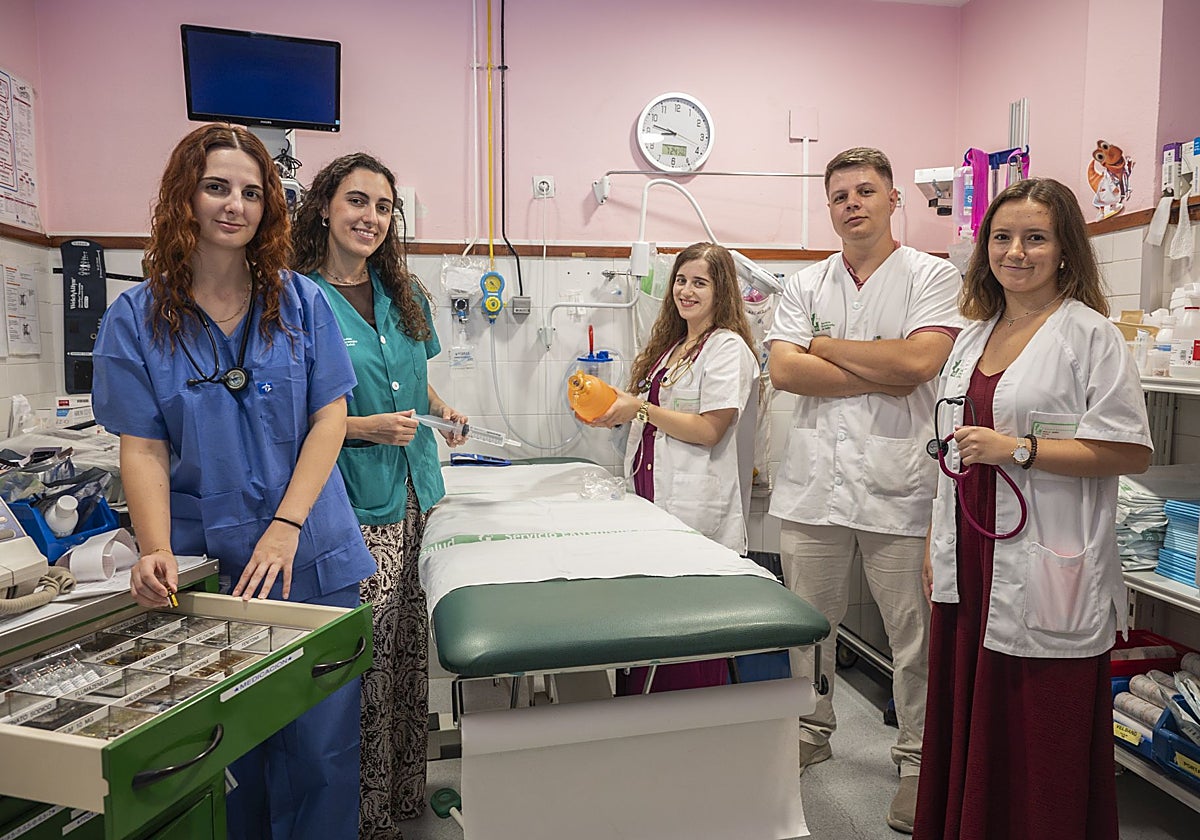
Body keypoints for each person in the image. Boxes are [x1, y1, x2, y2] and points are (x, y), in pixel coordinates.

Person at [92, 124, 376, 840]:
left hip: (311, 557)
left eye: (252, 192)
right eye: (217, 186)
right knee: (231, 757)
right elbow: (144, 447)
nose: (235, 205)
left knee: (321, 755)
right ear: (184, 196)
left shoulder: (302, 302)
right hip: (209, 567)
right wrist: (154, 547)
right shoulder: (136, 318)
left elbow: (330, 419)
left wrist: (286, 528)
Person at [914, 178, 1152, 840]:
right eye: (1002, 237)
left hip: (1043, 556)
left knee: (1035, 727)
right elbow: (953, 452)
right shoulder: (972, 337)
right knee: (967, 712)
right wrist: (933, 543)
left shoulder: (1091, 335)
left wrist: (1019, 449)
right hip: (969, 550)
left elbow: (1129, 452)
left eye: (1035, 237)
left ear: (1066, 249)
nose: (1016, 251)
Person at [765, 147, 961, 833]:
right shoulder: (806, 285)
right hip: (815, 484)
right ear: (830, 207)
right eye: (840, 194)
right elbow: (786, 373)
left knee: (915, 638)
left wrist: (825, 348)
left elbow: (918, 362)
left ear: (892, 198)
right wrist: (875, 362)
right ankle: (810, 732)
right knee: (805, 627)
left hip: (900, 485)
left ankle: (915, 761)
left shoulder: (931, 277)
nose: (852, 203)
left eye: (865, 191)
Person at [292, 152, 467, 839]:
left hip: (420, 495)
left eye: (384, 207)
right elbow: (292, 419)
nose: (371, 217)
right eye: (358, 202)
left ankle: (403, 798)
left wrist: (443, 413)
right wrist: (365, 427)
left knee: (410, 657)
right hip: (356, 503)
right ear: (327, 208)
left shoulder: (405, 293)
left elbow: (417, 383)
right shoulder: (300, 298)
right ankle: (359, 818)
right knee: (368, 659)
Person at [591, 241, 759, 692]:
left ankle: (686, 734)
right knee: (648, 625)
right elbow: (648, 421)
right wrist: (609, 410)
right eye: (681, 280)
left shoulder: (726, 349)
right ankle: (640, 724)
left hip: (694, 511)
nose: (686, 291)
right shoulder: (671, 349)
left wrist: (639, 409)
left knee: (687, 635)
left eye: (699, 282)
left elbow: (709, 431)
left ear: (721, 291)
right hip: (650, 503)